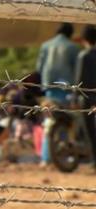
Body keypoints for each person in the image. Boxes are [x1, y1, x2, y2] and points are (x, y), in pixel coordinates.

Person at [36, 23, 80, 104]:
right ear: (70, 33)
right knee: (64, 112)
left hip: (49, 83)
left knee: (51, 110)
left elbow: (39, 67)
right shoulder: (72, 47)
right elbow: (77, 69)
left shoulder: (45, 45)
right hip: (66, 85)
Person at [75, 25, 96, 167]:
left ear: (84, 40)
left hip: (86, 98)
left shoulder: (83, 56)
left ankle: (94, 160)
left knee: (89, 131)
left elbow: (79, 81)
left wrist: (74, 96)